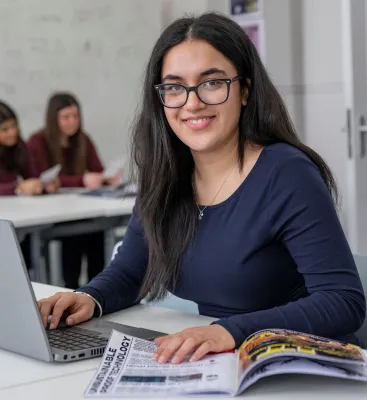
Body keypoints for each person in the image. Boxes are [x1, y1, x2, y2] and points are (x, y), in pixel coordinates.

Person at [38, 13, 366, 365]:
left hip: (296, 368)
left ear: (245, 90)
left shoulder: (286, 173)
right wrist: (90, 297)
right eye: (175, 87)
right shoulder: (165, 175)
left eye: (211, 83)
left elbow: (342, 301)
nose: (192, 103)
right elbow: (132, 270)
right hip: (215, 363)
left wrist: (230, 331)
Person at [27, 93, 118, 289]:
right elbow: (38, 178)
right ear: (54, 118)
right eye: (66, 117)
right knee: (74, 238)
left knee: (97, 231)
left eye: (76, 116)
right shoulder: (37, 142)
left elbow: (96, 169)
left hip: (80, 208)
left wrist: (104, 178)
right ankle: (70, 288)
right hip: (52, 213)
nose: (72, 122)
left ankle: (97, 288)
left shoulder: (83, 139)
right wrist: (81, 179)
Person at [0, 100, 43, 268]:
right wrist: (17, 188)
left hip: (21, 215)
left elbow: (32, 175)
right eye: (4, 129)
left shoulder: (20, 146)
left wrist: (40, 183)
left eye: (14, 126)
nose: (12, 132)